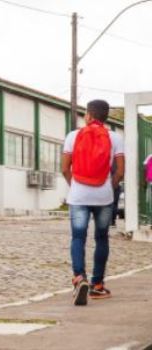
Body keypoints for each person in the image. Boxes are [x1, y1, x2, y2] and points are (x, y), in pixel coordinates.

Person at [61, 99, 124, 306]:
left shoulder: (73, 135)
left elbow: (64, 168)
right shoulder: (115, 137)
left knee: (78, 237)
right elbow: (120, 170)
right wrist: (110, 186)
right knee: (102, 238)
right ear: (106, 116)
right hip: (103, 195)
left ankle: (79, 278)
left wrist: (75, 186)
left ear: (88, 115)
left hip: (79, 194)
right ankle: (97, 286)